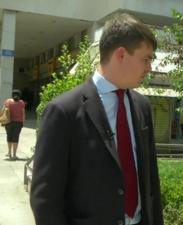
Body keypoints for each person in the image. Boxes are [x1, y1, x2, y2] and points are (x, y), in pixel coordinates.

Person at [30, 13, 163, 225]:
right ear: (121, 55)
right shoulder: (63, 111)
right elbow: (46, 199)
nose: (149, 67)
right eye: (146, 59)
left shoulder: (142, 106)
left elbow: (151, 183)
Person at [2, 89, 25, 160]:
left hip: (8, 123)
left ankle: (9, 153)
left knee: (9, 137)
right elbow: (23, 113)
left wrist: (2, 119)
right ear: (19, 95)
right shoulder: (21, 102)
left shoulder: (8, 101)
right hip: (18, 123)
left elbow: (3, 110)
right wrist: (23, 122)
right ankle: (14, 154)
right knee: (15, 138)